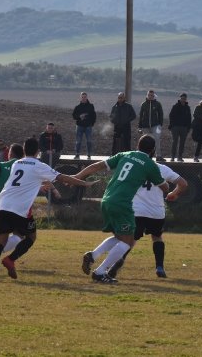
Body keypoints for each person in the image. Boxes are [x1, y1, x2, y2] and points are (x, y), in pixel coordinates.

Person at [0, 138, 91, 281]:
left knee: (1, 241)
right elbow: (62, 177)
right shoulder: (39, 165)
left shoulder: (16, 163)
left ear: (24, 150)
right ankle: (10, 259)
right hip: (20, 208)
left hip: (4, 204)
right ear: (38, 151)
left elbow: (25, 182)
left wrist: (38, 186)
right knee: (31, 237)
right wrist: (83, 183)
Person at [77, 135, 178, 284]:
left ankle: (93, 255)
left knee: (120, 237)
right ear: (153, 150)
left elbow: (97, 166)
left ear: (137, 145)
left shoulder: (125, 154)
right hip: (123, 203)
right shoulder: (150, 164)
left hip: (107, 199)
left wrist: (78, 176)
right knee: (128, 241)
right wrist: (163, 185)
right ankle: (99, 272)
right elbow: (165, 187)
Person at [109, 161, 188, 279]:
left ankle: (116, 265)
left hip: (137, 210)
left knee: (130, 240)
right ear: (153, 151)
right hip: (156, 212)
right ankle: (160, 268)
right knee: (157, 237)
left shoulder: (134, 167)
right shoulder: (162, 168)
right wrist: (174, 194)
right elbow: (183, 183)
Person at [138, 90, 165, 158]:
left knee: (157, 140)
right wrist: (140, 127)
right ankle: (145, 156)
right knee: (145, 141)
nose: (151, 97)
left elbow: (161, 114)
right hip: (145, 126)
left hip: (155, 125)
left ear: (154, 96)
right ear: (147, 95)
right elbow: (141, 116)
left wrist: (160, 124)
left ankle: (158, 156)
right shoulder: (143, 104)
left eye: (152, 95)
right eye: (149, 95)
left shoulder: (157, 104)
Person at [72, 92, 97, 159]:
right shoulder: (77, 107)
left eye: (85, 97)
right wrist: (79, 116)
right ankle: (77, 154)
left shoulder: (91, 106)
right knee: (78, 141)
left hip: (88, 126)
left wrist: (92, 124)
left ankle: (89, 154)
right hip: (79, 126)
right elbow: (74, 116)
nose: (84, 98)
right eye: (82, 97)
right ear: (80, 98)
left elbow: (94, 116)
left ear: (87, 97)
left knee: (89, 141)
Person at [168, 93, 192, 161]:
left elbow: (189, 118)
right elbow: (171, 116)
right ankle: (172, 156)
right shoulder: (175, 106)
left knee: (182, 143)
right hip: (175, 127)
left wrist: (188, 127)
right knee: (174, 142)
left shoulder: (187, 108)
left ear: (186, 99)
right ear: (180, 98)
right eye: (182, 98)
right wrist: (172, 125)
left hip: (184, 128)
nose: (183, 100)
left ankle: (180, 157)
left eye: (184, 98)